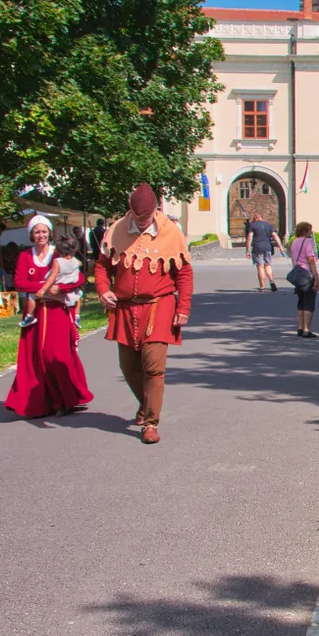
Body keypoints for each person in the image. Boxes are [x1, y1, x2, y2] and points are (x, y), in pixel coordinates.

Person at [95, 183, 194, 445]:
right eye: (137, 217)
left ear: (155, 210)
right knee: (128, 367)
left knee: (153, 367)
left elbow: (183, 272)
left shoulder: (170, 232)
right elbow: (102, 266)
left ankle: (151, 423)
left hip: (158, 306)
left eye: (146, 217)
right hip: (125, 308)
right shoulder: (116, 230)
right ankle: (144, 403)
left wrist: (183, 307)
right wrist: (103, 289)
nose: (141, 222)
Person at [4, 215, 93, 417]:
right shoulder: (26, 256)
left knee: (57, 355)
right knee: (35, 357)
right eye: (37, 231)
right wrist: (43, 289)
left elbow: (77, 277)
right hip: (34, 312)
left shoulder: (58, 254)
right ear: (31, 234)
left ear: (50, 233)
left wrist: (59, 287)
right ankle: (41, 402)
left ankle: (67, 397)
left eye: (44, 231)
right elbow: (19, 282)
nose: (41, 235)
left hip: (57, 312)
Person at [35, 233, 83, 328]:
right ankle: (77, 316)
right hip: (71, 290)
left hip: (57, 289)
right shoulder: (76, 261)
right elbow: (80, 265)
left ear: (58, 250)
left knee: (33, 298)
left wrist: (42, 289)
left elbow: (52, 277)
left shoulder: (57, 261)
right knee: (78, 298)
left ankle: (30, 315)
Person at [288, 221, 319, 338]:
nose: (311, 232)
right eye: (310, 230)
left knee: (301, 302)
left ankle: (300, 327)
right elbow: (310, 260)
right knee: (309, 302)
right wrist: (316, 276)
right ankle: (307, 329)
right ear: (306, 230)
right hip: (307, 274)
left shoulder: (294, 242)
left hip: (298, 274)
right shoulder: (307, 242)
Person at [246, 213, 284, 292]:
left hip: (257, 247)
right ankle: (271, 281)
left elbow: (249, 238)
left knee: (260, 266)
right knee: (268, 265)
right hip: (267, 247)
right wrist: (280, 247)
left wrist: (248, 250)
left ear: (255, 218)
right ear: (261, 218)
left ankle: (262, 287)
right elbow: (275, 236)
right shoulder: (268, 225)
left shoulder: (253, 226)